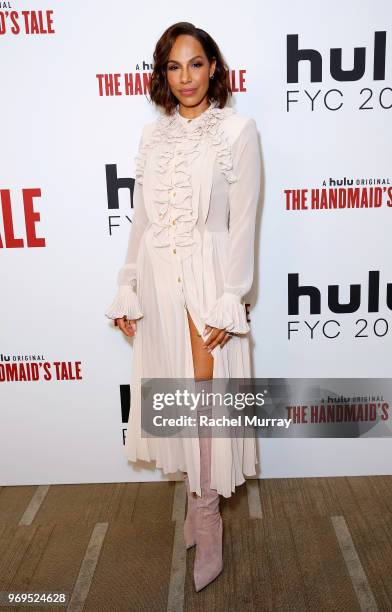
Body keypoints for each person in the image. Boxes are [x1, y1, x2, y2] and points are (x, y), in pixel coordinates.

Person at [105, 21, 261, 592]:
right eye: (174, 66)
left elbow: (242, 223)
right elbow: (141, 221)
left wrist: (229, 298)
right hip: (158, 277)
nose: (186, 77)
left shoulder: (239, 132)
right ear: (162, 75)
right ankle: (197, 504)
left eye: (195, 64)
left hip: (208, 279)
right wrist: (128, 285)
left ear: (214, 67)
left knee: (206, 401)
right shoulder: (152, 138)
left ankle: (208, 518)